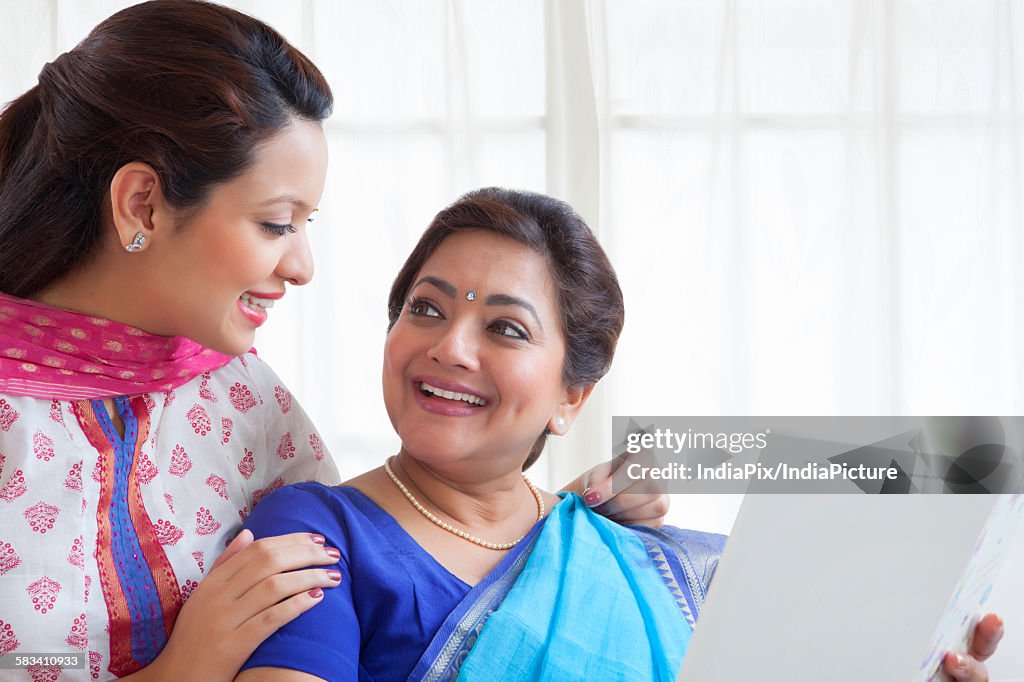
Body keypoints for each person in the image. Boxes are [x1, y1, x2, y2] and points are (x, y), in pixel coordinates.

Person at [0, 4, 665, 681]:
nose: (301, 266)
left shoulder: (241, 403)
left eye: (305, 223)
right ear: (143, 204)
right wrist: (179, 673)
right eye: (276, 223)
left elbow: (403, 558)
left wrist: (562, 539)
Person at [234, 188, 1006, 681]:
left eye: (504, 326)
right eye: (427, 308)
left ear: (573, 395)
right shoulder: (312, 533)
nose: (450, 346)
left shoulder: (636, 562)